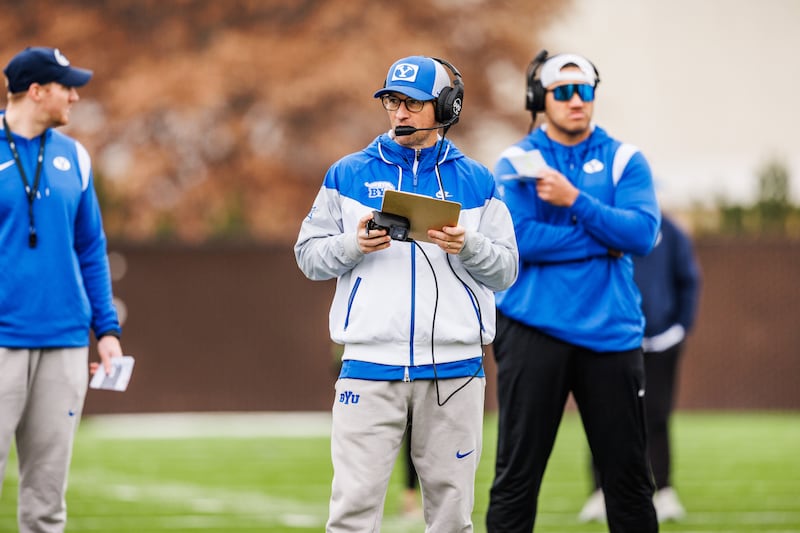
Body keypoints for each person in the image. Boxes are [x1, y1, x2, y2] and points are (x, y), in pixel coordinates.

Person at [295, 55, 518, 532]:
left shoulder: (478, 181)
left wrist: (470, 245)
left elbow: (506, 271)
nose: (399, 112)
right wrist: (353, 243)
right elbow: (308, 257)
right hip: (369, 366)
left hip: (455, 372)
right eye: (392, 101)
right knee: (352, 512)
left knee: (452, 517)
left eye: (413, 103)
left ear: (447, 106)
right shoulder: (346, 174)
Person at [485, 49, 661, 532]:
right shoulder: (517, 160)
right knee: (516, 478)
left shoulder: (625, 159)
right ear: (541, 98)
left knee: (628, 480)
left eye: (585, 90)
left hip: (611, 335)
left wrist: (574, 201)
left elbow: (641, 234)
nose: (576, 101)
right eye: (563, 92)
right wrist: (603, 239)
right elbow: (519, 240)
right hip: (532, 331)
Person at [0, 47, 123, 533]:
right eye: (66, 86)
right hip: (2, 341)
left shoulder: (76, 156)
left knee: (46, 502)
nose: (75, 95)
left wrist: (106, 330)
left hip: (66, 344)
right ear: (36, 91)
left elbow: (91, 249)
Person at [579, 213, 702, 523]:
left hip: (660, 341)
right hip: (613, 338)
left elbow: (688, 279)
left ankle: (664, 491)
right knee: (603, 414)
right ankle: (600, 491)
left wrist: (679, 328)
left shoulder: (672, 233)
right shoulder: (606, 223)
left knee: (656, 415)